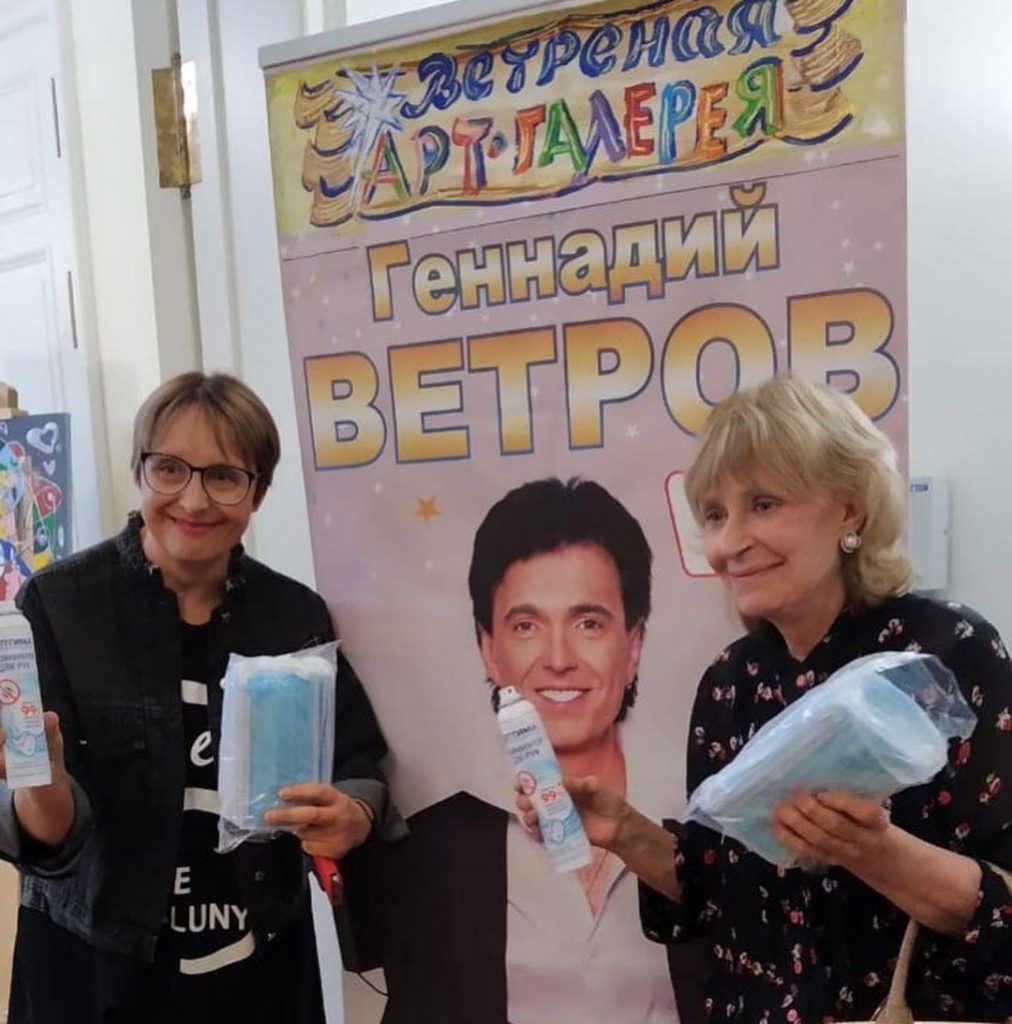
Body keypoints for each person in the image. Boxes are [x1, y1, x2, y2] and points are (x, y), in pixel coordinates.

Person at [520, 375, 1012, 1022]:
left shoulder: (944, 654)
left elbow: (1002, 914)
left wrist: (873, 852)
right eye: (715, 516)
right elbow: (717, 894)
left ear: (850, 509)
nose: (729, 544)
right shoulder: (732, 681)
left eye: (764, 504)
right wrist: (624, 832)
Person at [0, 372, 405, 1024]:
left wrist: (352, 815)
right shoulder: (60, 606)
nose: (193, 499)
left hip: (260, 973)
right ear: (140, 470)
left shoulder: (293, 615)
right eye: (169, 469)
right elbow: (49, 836)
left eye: (223, 476)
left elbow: (357, 764)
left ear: (258, 491)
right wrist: (40, 780)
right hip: (96, 975)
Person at [362, 477, 698, 1024]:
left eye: (588, 623)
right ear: (488, 649)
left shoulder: (697, 822)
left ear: (633, 645)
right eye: (526, 625)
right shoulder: (436, 847)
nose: (558, 658)